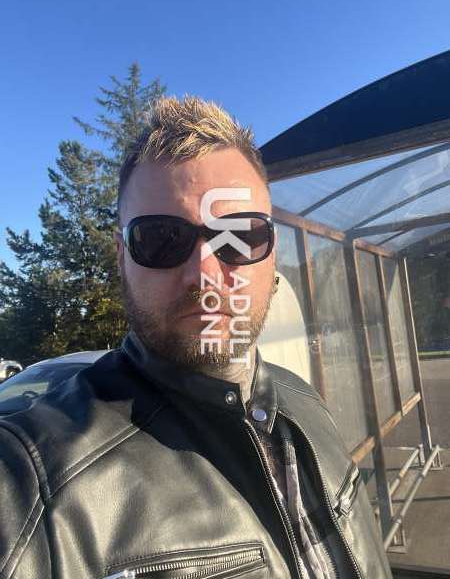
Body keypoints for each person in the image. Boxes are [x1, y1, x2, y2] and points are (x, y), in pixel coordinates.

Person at [0, 97, 392, 578]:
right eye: (160, 239)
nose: (204, 275)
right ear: (121, 256)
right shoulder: (34, 479)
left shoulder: (307, 404)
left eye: (239, 236)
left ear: (271, 255)